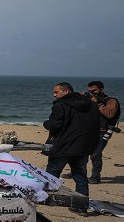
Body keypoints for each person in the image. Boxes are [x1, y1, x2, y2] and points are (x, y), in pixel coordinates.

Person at [43, 83, 100, 213]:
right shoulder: (91, 104)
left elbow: (55, 126)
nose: (54, 94)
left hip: (63, 147)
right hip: (82, 147)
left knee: (51, 174)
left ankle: (46, 199)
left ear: (66, 91)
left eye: (56, 92)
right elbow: (95, 125)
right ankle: (81, 207)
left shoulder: (61, 105)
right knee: (81, 176)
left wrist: (46, 124)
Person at [86, 80, 120, 184]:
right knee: (82, 152)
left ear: (102, 89)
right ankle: (79, 172)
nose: (93, 93)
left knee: (96, 154)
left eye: (94, 90)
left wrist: (97, 103)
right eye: (90, 91)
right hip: (90, 130)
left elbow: (109, 114)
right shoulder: (91, 100)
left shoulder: (110, 101)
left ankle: (95, 177)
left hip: (103, 131)